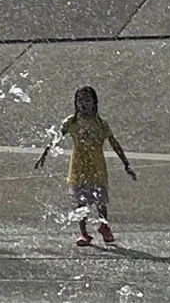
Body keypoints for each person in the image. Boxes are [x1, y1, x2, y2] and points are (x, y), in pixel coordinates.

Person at [34, 84, 136, 246]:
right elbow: (56, 139)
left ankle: (104, 226)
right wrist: (44, 154)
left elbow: (114, 143)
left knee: (100, 200)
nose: (83, 104)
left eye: (87, 100)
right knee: (81, 201)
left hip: (97, 166)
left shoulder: (101, 124)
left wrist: (126, 164)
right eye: (79, 100)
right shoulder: (71, 122)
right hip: (79, 166)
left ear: (95, 102)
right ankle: (83, 232)